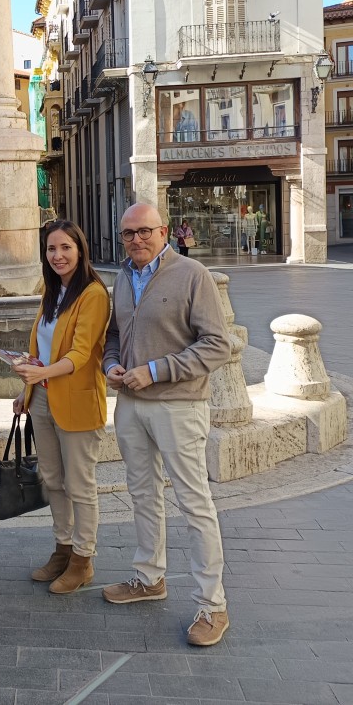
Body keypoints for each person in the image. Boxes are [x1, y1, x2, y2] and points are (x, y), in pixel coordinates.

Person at [102, 202, 233, 647]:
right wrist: (112, 364)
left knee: (194, 505)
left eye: (144, 231)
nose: (136, 240)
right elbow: (115, 335)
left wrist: (157, 370)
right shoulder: (121, 277)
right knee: (142, 494)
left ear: (163, 231)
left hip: (177, 404)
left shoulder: (192, 274)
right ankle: (149, 577)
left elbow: (218, 345)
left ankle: (212, 606)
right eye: (127, 233)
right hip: (130, 403)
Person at [11, 220, 110, 594]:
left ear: (80, 250)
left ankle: (83, 559)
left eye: (65, 248)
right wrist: (27, 389)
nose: (58, 255)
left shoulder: (93, 294)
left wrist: (42, 375)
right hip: (43, 403)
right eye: (51, 249)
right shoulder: (51, 293)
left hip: (78, 404)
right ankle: (62, 549)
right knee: (53, 481)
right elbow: (41, 348)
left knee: (80, 485)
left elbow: (80, 354)